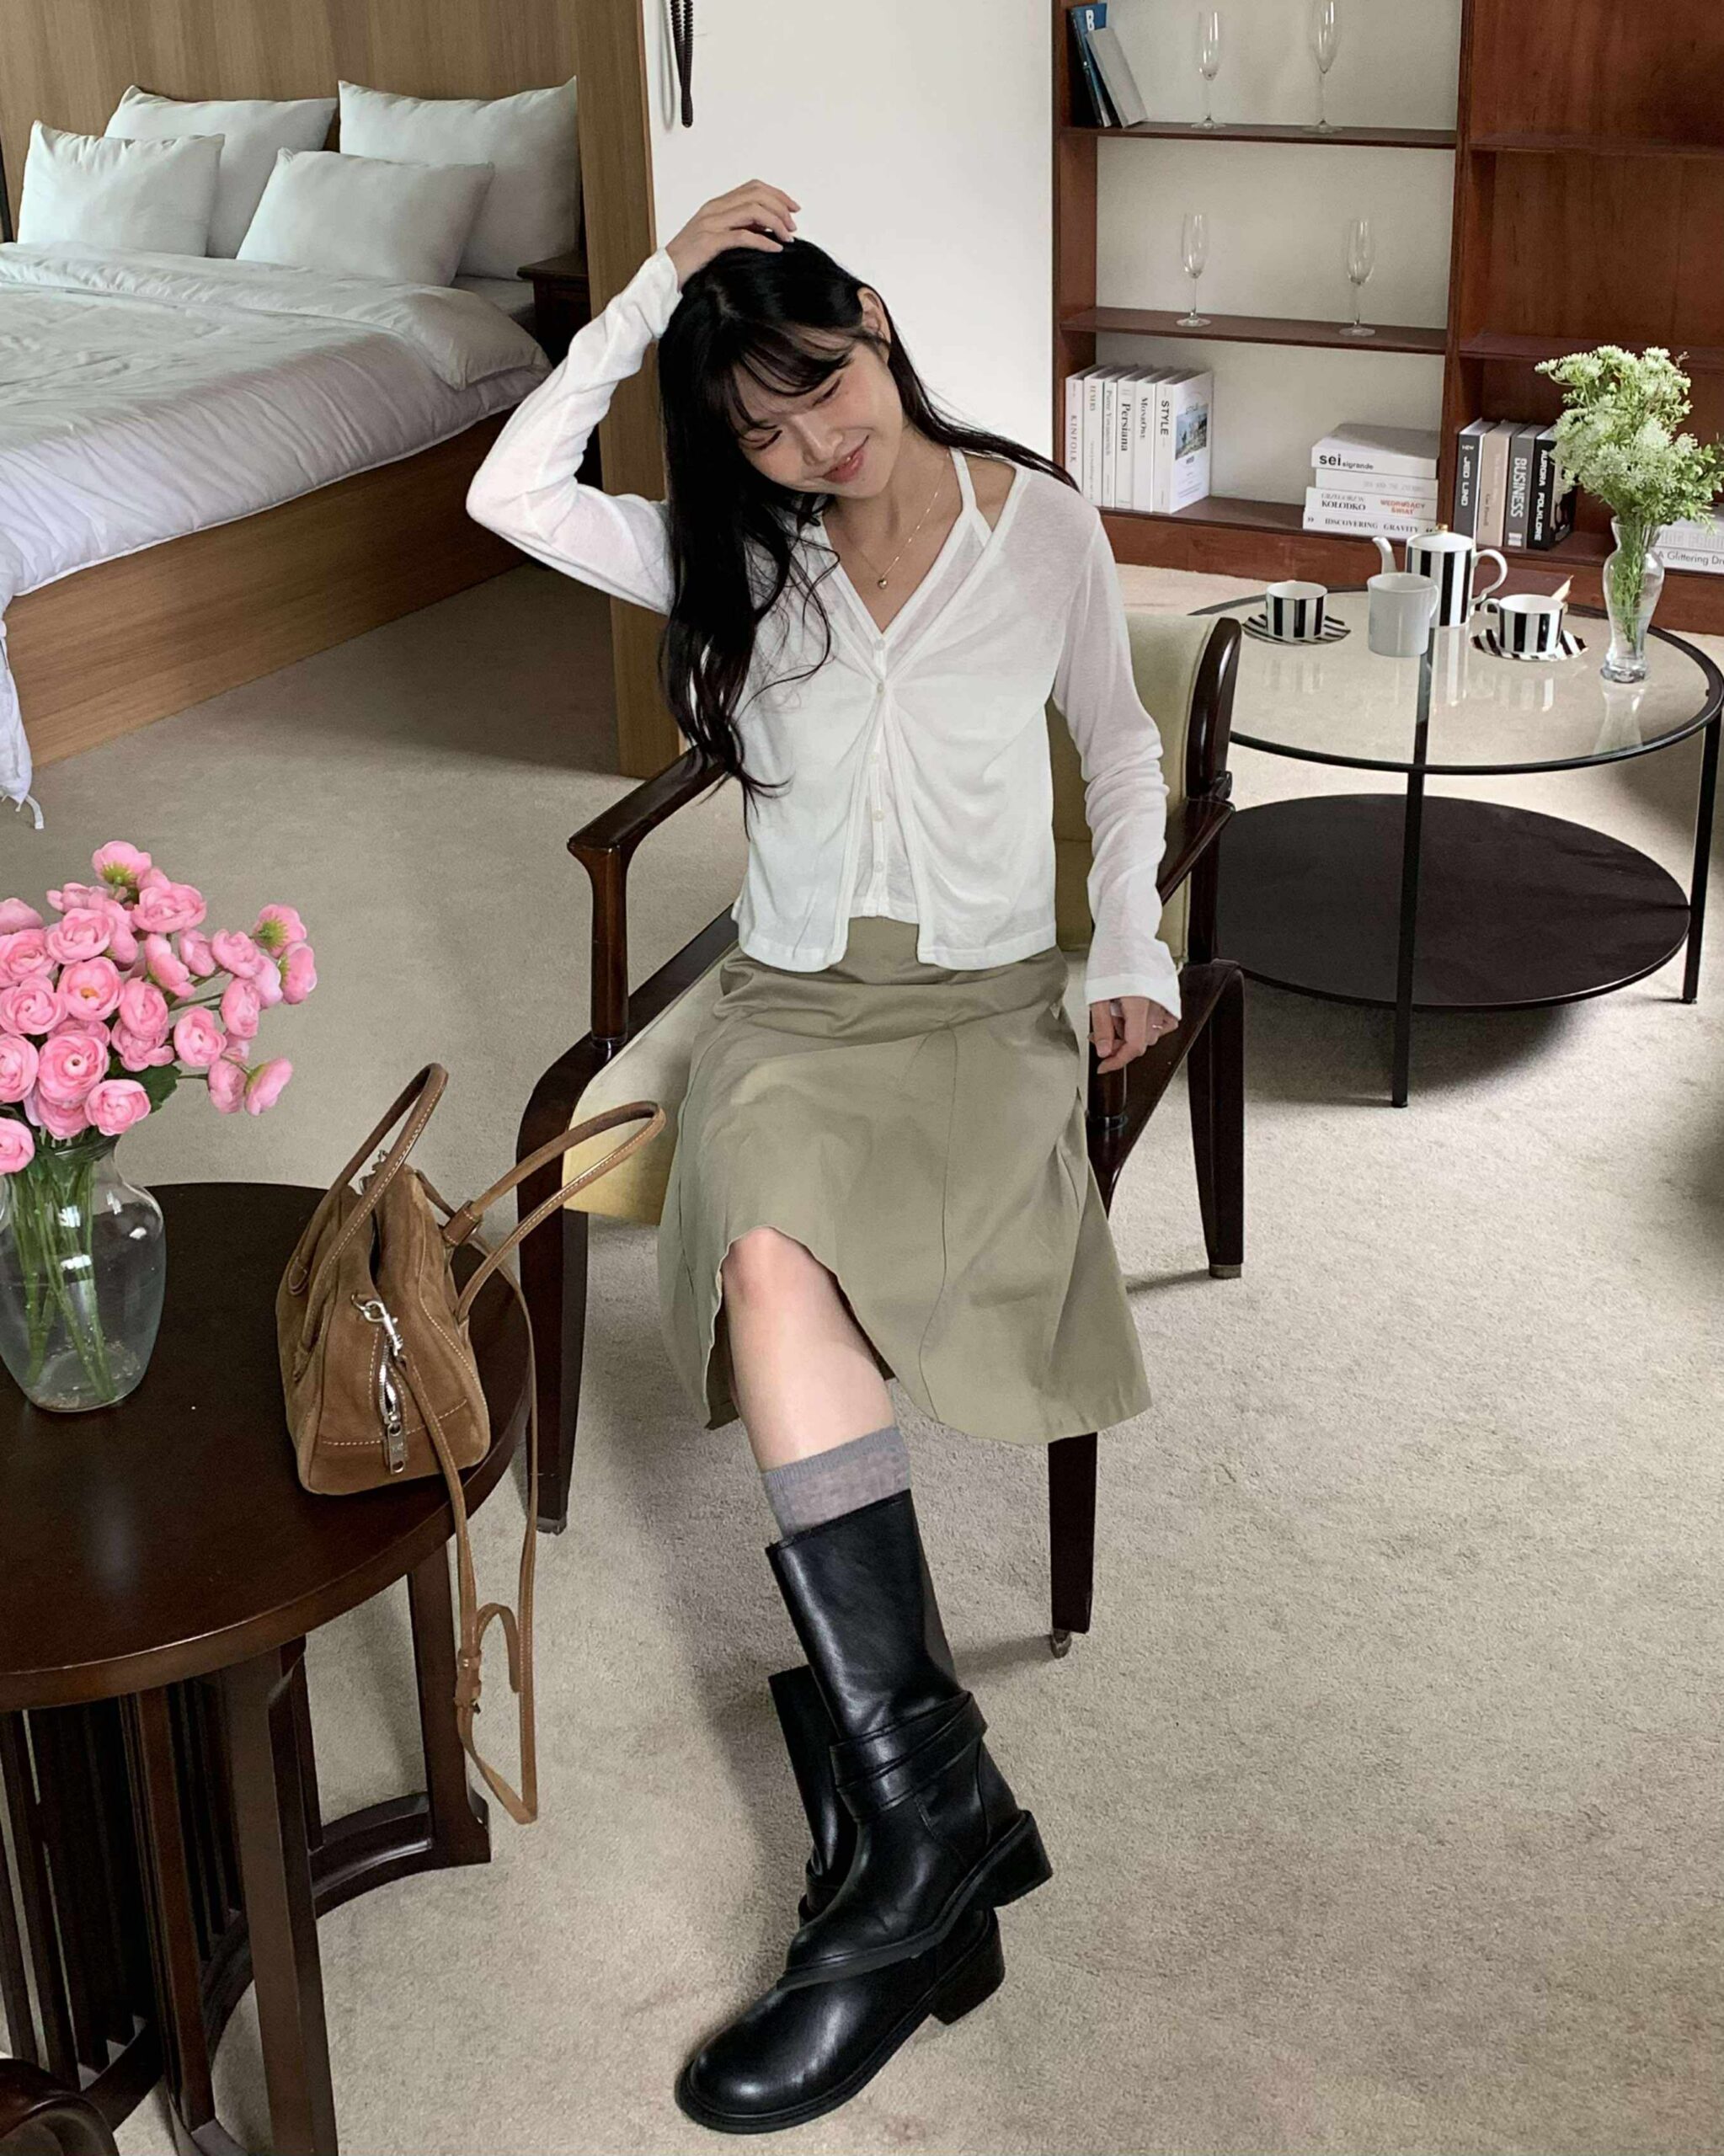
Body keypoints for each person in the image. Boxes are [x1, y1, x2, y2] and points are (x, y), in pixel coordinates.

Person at [467, 179, 1182, 2134]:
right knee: (764, 1243)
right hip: (790, 1002)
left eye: (820, 383)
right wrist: (654, 288)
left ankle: (911, 1837)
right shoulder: (739, 554)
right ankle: (928, 1805)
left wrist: (1130, 939)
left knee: (813, 1248)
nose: (809, 441)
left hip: (981, 1003)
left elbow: (1121, 749)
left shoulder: (1043, 528)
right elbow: (509, 493)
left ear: (875, 317)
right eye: (761, 425)